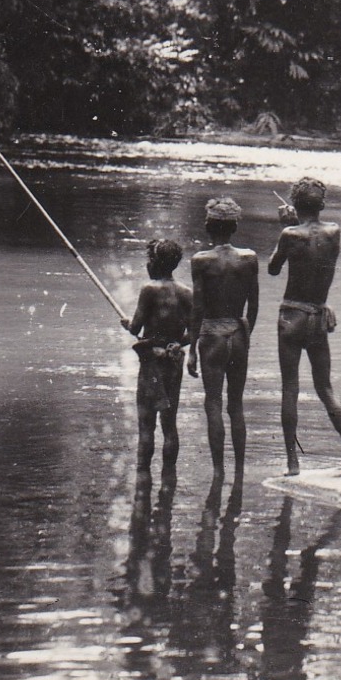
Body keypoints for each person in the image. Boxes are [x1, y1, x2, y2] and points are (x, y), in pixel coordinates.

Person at [267, 177, 341, 475]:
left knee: (290, 388)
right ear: (322, 204)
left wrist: (284, 227)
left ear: (294, 204)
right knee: (325, 387)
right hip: (318, 315)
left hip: (292, 315)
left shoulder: (289, 234)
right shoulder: (334, 232)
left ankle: (293, 463)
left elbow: (273, 269)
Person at [188, 197, 259, 478]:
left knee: (213, 403)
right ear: (234, 227)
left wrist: (192, 348)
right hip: (238, 332)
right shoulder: (249, 258)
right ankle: (239, 471)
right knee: (236, 404)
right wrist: (245, 333)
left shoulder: (201, 261)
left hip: (212, 333)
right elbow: (253, 305)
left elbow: (197, 306)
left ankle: (219, 472)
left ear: (208, 226)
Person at [122, 238, 193, 480]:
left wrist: (128, 325)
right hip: (173, 361)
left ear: (154, 262)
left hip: (151, 361)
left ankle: (142, 477)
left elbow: (135, 327)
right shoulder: (186, 292)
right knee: (169, 423)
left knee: (146, 424)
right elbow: (195, 331)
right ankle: (168, 477)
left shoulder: (149, 289)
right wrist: (177, 343)